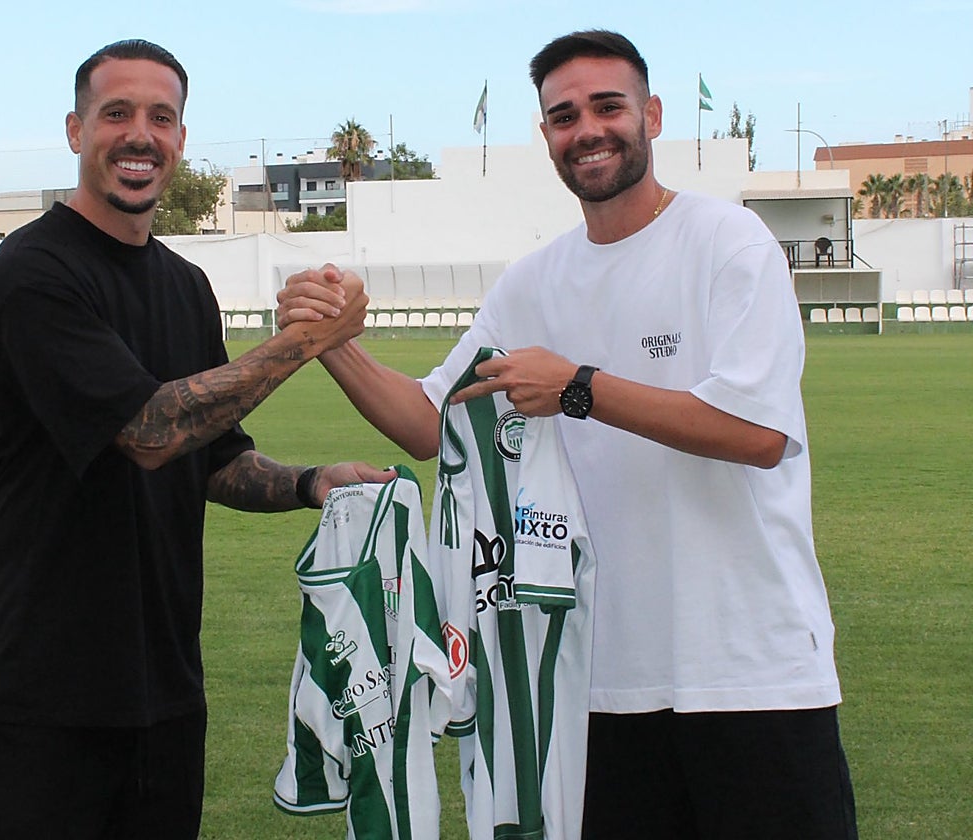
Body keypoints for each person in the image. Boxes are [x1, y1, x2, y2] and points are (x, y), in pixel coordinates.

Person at [277, 29, 858, 840]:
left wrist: (578, 388)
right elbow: (427, 421)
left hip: (750, 673)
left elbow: (757, 432)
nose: (587, 128)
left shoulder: (728, 242)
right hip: (591, 688)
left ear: (651, 115)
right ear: (546, 134)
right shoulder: (534, 281)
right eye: (563, 115)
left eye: (608, 106)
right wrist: (329, 341)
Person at [0, 38, 391, 839]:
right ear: (75, 129)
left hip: (163, 692)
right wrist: (307, 339)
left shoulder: (185, 287)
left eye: (161, 117)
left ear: (182, 141)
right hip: (42, 695)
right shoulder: (34, 270)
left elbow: (212, 457)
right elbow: (152, 430)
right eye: (115, 113)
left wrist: (310, 482)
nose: (139, 135)